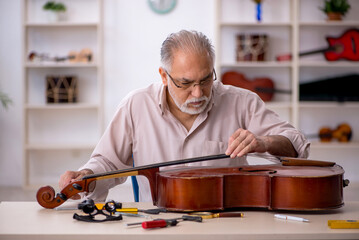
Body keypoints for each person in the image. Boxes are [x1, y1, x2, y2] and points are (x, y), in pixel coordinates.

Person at [59, 30, 310, 202]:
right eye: (185, 83)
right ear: (164, 76)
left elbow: (296, 144)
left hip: (225, 224)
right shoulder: (135, 105)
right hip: (157, 224)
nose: (198, 93)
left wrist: (264, 143)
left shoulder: (241, 101)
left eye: (205, 79)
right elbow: (108, 163)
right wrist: (86, 177)